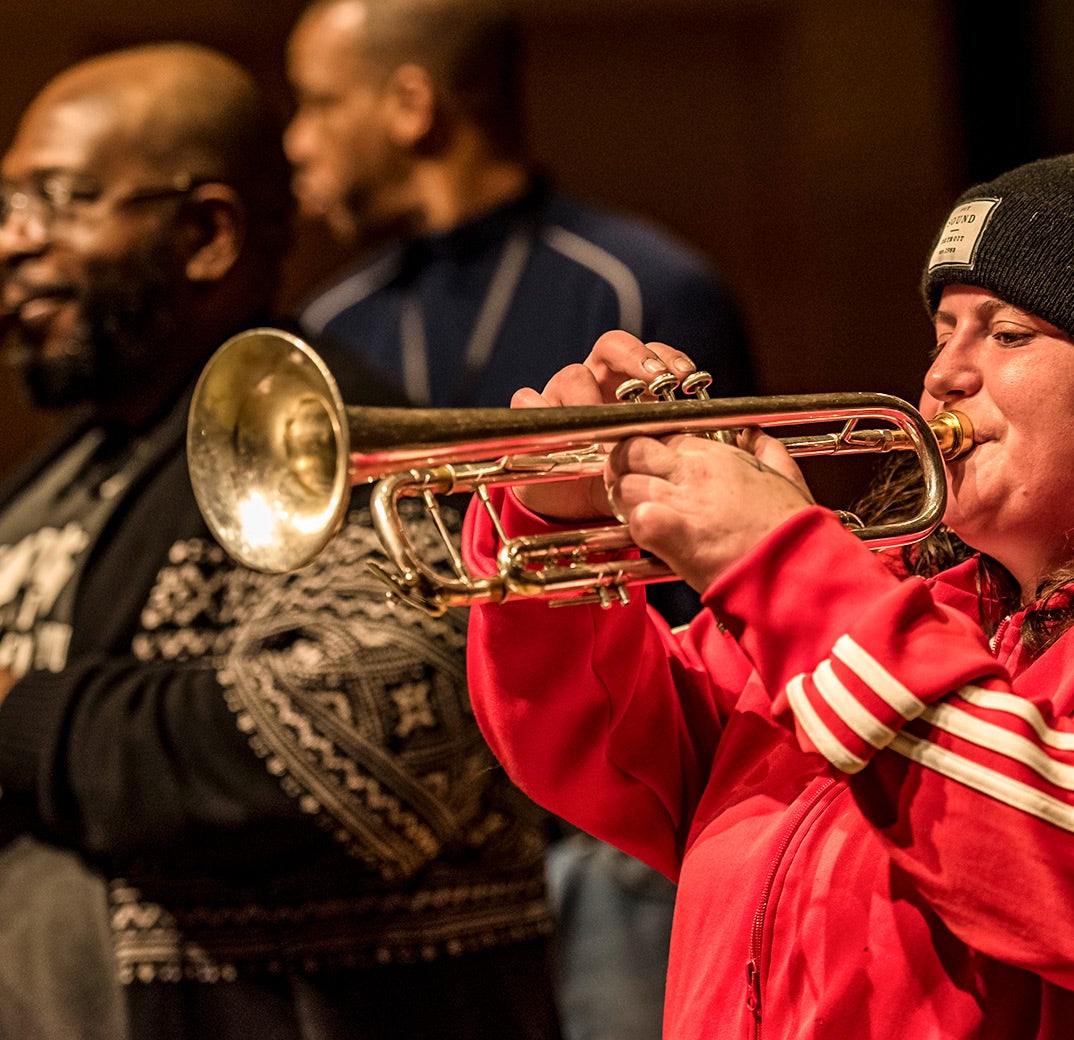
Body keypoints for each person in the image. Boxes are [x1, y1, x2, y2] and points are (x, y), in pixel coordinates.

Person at [460, 121, 1074, 1037]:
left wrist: (783, 566)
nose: (943, 376)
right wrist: (557, 520)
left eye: (1008, 334)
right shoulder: (894, 600)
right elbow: (601, 750)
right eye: (944, 330)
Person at [0, 42, 559, 1040]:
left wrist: (8, 719)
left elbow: (364, 752)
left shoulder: (327, 435)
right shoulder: (65, 469)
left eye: (59, 199)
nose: (12, 242)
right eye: (1, 206)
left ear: (206, 235)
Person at [281, 2, 757, 1034]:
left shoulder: (643, 284)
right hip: (413, 856)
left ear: (411, 104)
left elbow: (708, 593)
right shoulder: (325, 325)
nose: (296, 140)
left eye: (318, 102)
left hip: (598, 842)